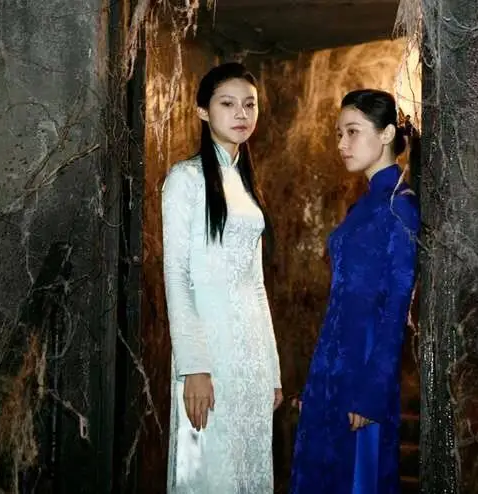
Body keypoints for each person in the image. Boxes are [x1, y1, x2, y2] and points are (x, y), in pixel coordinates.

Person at [290, 89, 420, 494]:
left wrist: (372, 392)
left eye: (352, 131)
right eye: (338, 134)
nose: (341, 144)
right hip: (333, 364)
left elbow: (396, 304)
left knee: (357, 479)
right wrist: (318, 381)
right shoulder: (362, 205)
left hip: (365, 370)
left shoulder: (400, 206)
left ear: (387, 134)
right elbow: (341, 302)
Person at [162, 62, 283, 494]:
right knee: (207, 473)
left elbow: (256, 285)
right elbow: (177, 276)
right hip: (209, 353)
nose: (241, 114)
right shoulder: (185, 179)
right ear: (202, 111)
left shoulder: (247, 186)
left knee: (248, 470)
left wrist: (271, 370)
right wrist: (194, 367)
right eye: (227, 104)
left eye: (249, 105)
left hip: (250, 355)